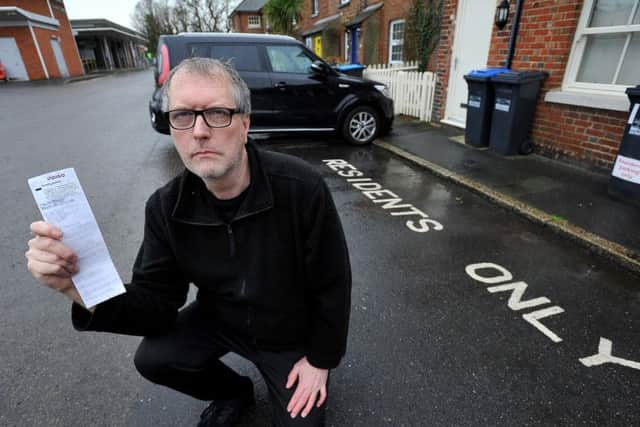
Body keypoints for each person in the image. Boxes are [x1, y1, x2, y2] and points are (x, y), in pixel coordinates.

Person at [25, 57, 351, 427]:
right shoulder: (166, 207)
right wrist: (79, 288)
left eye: (216, 113)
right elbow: (156, 304)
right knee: (154, 357)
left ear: (245, 123)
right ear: (171, 127)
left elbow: (332, 284)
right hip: (222, 318)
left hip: (288, 334)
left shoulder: (301, 188)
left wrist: (320, 360)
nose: (198, 131)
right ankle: (232, 391)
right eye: (182, 116)